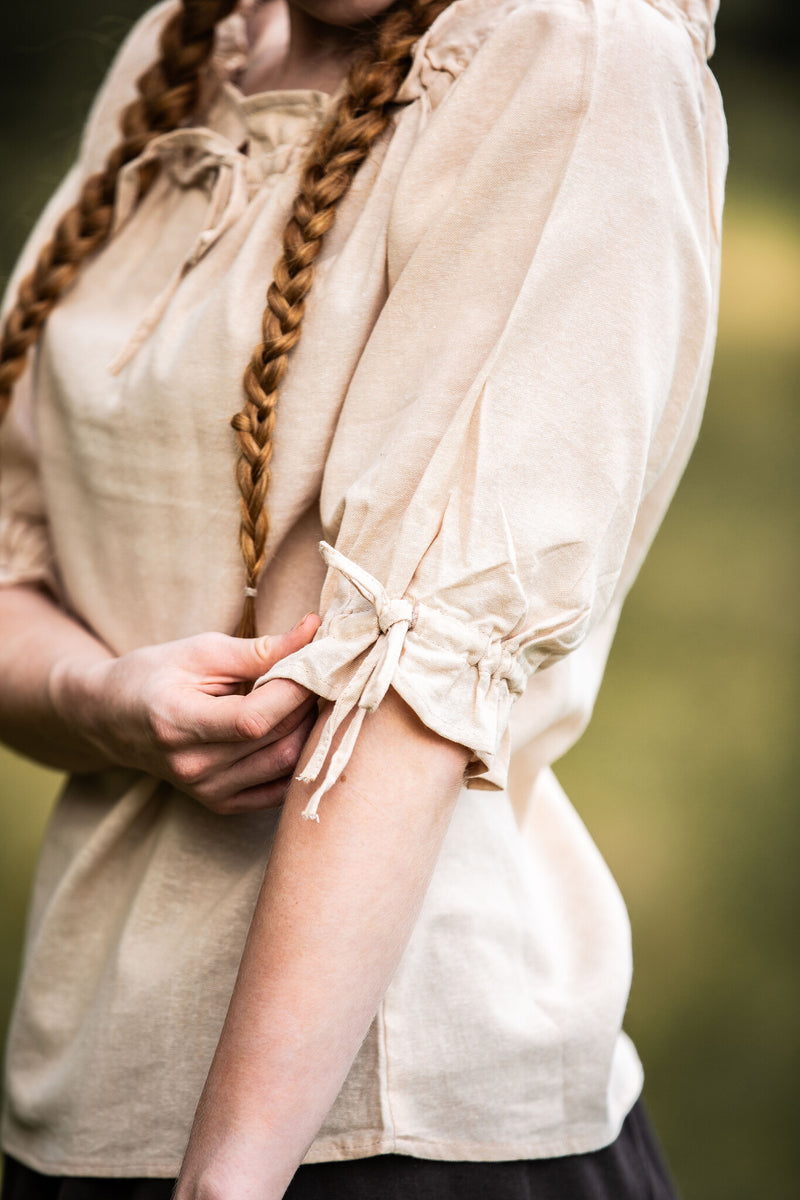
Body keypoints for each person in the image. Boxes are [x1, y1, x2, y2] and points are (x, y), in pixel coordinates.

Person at [0, 0, 726, 1196]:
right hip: (85, 1096)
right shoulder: (192, 47)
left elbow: (407, 697)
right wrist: (104, 697)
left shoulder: (573, 51)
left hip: (376, 1131)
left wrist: (226, 1184)